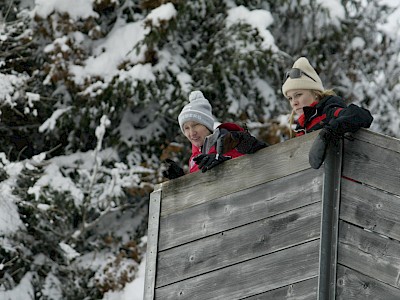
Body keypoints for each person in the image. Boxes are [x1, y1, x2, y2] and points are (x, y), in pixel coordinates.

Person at [281, 57, 373, 169]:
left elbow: (361, 115)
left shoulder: (329, 111)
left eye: (298, 95)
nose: (294, 103)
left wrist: (330, 131)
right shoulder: (301, 129)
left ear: (315, 93)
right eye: (290, 98)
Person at [163, 90, 267, 179]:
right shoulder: (194, 159)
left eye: (196, 125)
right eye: (186, 128)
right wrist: (181, 180)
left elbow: (260, 164)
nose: (191, 132)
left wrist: (224, 161)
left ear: (207, 125)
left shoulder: (232, 141)